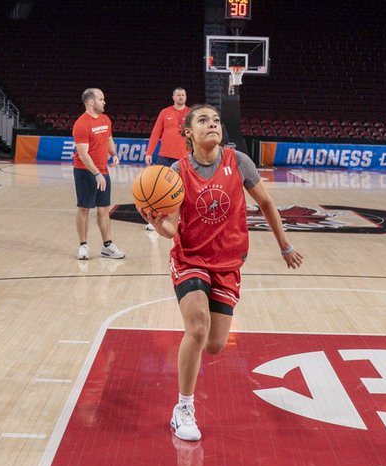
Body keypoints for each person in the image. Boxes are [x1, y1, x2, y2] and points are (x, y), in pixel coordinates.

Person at [142, 104, 303, 441]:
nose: (212, 124)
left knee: (215, 344)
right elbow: (172, 229)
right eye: (203, 120)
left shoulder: (238, 162)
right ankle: (183, 408)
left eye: (216, 120)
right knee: (198, 328)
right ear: (188, 132)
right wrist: (158, 223)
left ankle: (187, 390)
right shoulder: (176, 172)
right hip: (191, 259)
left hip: (228, 263)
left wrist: (284, 245)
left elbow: (268, 204)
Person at [73, 88, 124, 260]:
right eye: (101, 99)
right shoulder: (81, 124)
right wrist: (96, 174)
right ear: (91, 101)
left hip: (102, 171)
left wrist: (114, 154)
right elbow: (83, 154)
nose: (104, 102)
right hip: (85, 171)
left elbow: (109, 140)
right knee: (84, 209)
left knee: (103, 209)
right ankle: (83, 246)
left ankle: (107, 246)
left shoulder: (105, 119)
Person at [143, 87, 190, 230]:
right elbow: (156, 133)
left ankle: (182, 218)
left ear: (186, 97)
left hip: (184, 156)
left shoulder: (191, 113)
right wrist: (149, 152)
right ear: (173, 97)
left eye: (183, 95)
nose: (181, 97)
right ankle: (156, 218)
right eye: (178, 95)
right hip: (164, 156)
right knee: (159, 188)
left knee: (183, 189)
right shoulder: (165, 112)